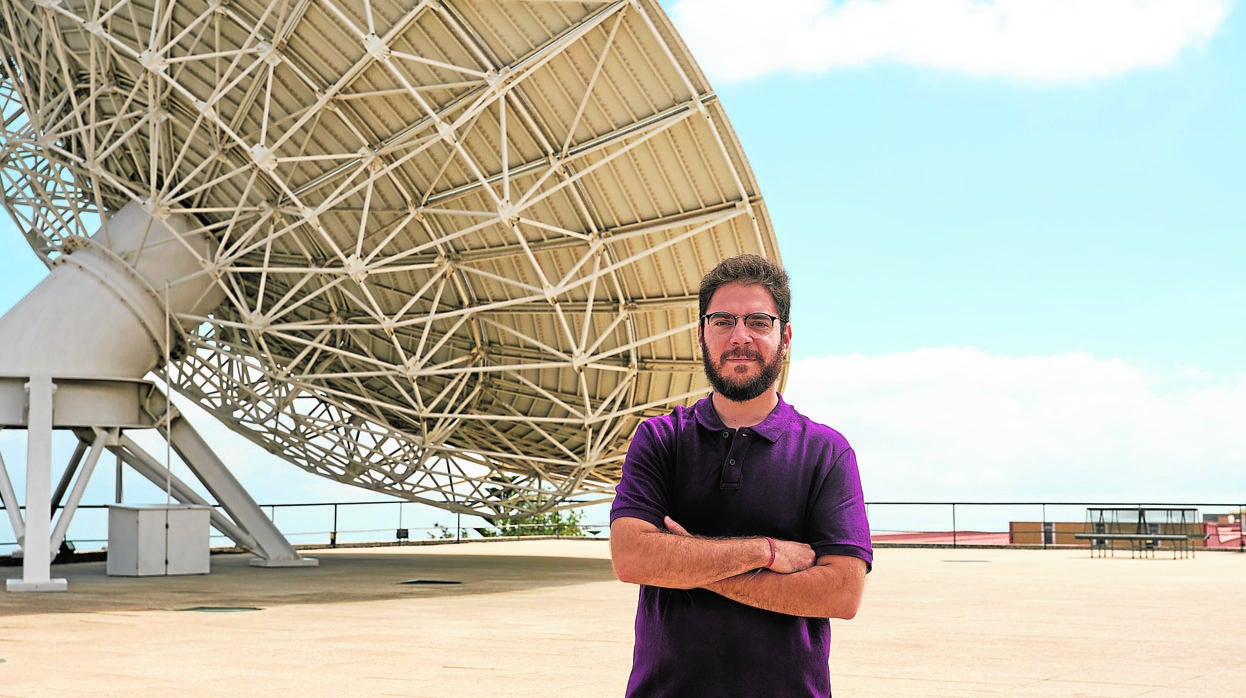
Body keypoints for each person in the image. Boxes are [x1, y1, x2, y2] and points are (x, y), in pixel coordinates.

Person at [609, 254, 872, 697]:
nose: (740, 336)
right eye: (722, 321)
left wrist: (687, 562)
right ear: (700, 333)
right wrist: (766, 552)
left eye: (758, 321)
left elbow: (842, 593)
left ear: (784, 337)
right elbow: (632, 559)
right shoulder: (659, 439)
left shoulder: (826, 451)